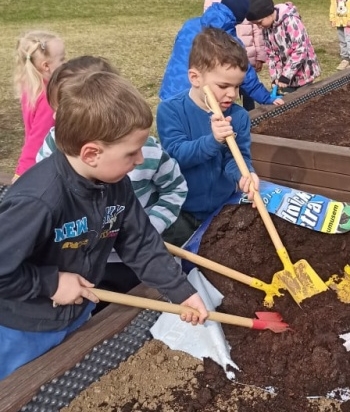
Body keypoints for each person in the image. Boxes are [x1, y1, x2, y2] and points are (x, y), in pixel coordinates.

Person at [0, 71, 208, 380]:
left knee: (64, 381)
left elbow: (140, 243)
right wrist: (50, 283)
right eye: (131, 152)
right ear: (92, 153)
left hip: (77, 311)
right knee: (21, 390)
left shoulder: (115, 184)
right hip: (25, 326)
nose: (140, 160)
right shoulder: (39, 200)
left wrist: (181, 291)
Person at [34, 56, 190, 313]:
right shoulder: (52, 155)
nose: (60, 119)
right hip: (79, 261)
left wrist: (148, 226)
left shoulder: (143, 153)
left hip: (130, 259)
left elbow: (174, 187)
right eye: (60, 111)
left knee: (130, 312)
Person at [157, 27, 259, 235]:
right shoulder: (171, 110)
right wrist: (213, 140)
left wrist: (244, 175)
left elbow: (236, 157)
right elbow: (176, 156)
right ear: (195, 78)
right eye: (223, 86)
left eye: (237, 86)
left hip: (221, 210)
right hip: (181, 211)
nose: (232, 94)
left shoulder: (238, 117)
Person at [159, 0, 283, 107]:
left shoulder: (189, 24)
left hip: (170, 93)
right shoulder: (227, 40)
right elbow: (246, 74)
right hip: (200, 99)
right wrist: (266, 98)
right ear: (238, 18)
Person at [12, 30, 66, 182]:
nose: (66, 63)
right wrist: (22, 173)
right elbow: (38, 138)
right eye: (62, 59)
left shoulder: (32, 86)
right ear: (46, 65)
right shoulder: (49, 97)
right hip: (43, 166)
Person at [247, 0, 321, 93]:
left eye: (259, 22)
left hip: (303, 73)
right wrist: (276, 77)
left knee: (304, 101)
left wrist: (286, 75)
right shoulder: (266, 28)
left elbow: (300, 49)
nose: (259, 27)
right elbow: (272, 55)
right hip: (286, 77)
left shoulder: (291, 21)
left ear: (268, 13)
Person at [236, 19, 267, 111]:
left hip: (248, 56)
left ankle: (251, 117)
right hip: (226, 58)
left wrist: (260, 56)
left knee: (248, 92)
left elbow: (257, 31)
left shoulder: (247, 7)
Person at [330, 0, 350, 70]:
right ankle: (345, 59)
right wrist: (332, 18)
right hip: (339, 22)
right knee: (342, 41)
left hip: (348, 23)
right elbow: (333, 6)